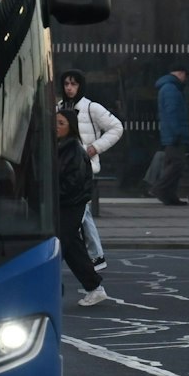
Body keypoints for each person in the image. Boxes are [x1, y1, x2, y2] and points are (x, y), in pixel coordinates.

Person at [57, 70, 123, 270]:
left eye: (74, 84)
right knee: (80, 214)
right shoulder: (59, 108)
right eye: (67, 83)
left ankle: (95, 256)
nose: (69, 87)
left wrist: (94, 148)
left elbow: (116, 127)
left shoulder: (91, 107)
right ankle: (92, 257)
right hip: (67, 166)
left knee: (81, 213)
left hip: (84, 166)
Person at [55, 107, 108, 306]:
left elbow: (73, 184)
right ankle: (95, 287)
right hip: (65, 203)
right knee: (72, 247)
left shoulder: (74, 150)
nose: (56, 127)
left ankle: (44, 285)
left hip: (71, 204)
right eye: (55, 122)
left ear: (71, 128)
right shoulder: (60, 147)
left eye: (61, 124)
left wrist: (53, 193)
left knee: (60, 245)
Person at [152, 65, 189, 205]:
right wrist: (177, 133)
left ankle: (170, 196)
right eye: (185, 76)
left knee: (172, 164)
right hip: (175, 135)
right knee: (177, 164)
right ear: (181, 73)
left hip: (171, 134)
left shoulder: (168, 87)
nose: (185, 79)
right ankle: (160, 188)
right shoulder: (171, 89)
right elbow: (172, 113)